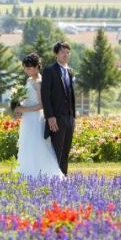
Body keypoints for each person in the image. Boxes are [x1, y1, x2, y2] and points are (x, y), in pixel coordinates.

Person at [12, 53, 64, 178]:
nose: (27, 70)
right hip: (28, 118)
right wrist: (19, 109)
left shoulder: (39, 83)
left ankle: (40, 173)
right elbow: (27, 99)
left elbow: (41, 105)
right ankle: (25, 172)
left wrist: (23, 109)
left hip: (35, 117)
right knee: (26, 144)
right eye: (25, 67)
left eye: (29, 68)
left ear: (37, 67)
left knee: (36, 144)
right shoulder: (29, 80)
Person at [40, 42, 75, 175]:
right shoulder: (50, 71)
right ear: (56, 55)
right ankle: (53, 178)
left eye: (67, 52)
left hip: (70, 118)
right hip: (56, 118)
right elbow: (45, 96)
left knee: (66, 151)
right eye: (62, 52)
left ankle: (63, 177)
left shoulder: (69, 71)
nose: (65, 55)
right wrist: (50, 116)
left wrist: (73, 117)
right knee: (56, 151)